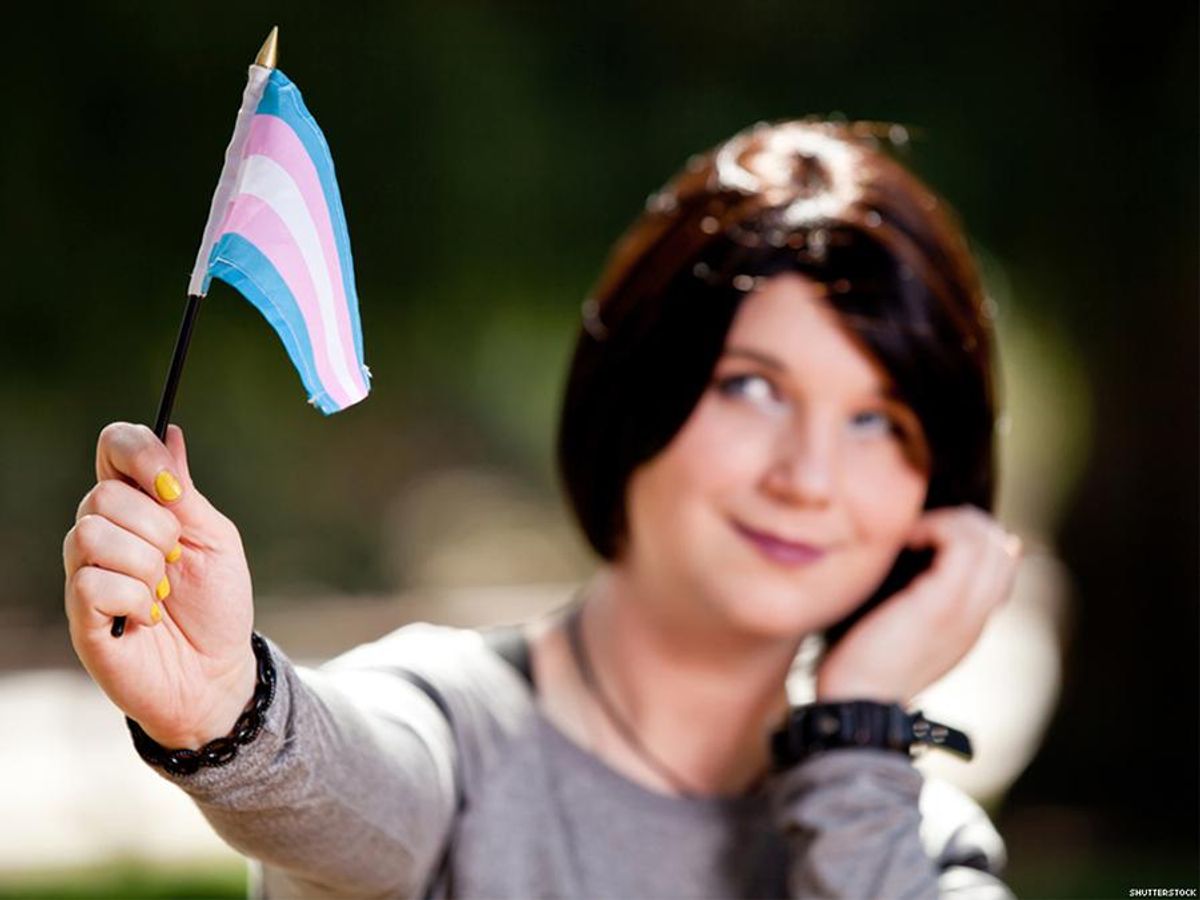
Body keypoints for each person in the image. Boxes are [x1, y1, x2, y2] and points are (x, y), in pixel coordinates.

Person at [63, 118, 1024, 899]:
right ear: (636, 392)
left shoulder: (915, 845)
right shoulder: (455, 728)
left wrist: (858, 735)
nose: (808, 478)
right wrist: (228, 710)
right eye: (752, 388)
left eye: (877, 420)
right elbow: (356, 787)